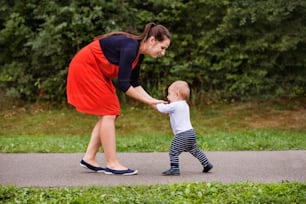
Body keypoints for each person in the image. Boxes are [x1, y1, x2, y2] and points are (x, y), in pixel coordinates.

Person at [66, 22, 171, 176]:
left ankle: (89, 157)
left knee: (109, 111)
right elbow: (124, 85)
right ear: (152, 40)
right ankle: (112, 164)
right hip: (85, 66)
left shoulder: (138, 56)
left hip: (97, 71)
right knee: (110, 110)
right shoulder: (130, 47)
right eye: (163, 48)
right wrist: (148, 101)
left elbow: (134, 84)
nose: (163, 53)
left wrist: (153, 102)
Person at [155, 80, 213, 176]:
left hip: (182, 134)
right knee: (195, 150)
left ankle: (175, 168)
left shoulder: (175, 105)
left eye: (169, 94)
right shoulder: (184, 104)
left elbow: (162, 109)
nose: (167, 97)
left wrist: (155, 102)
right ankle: (207, 164)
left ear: (177, 94)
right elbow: (169, 110)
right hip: (190, 133)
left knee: (173, 150)